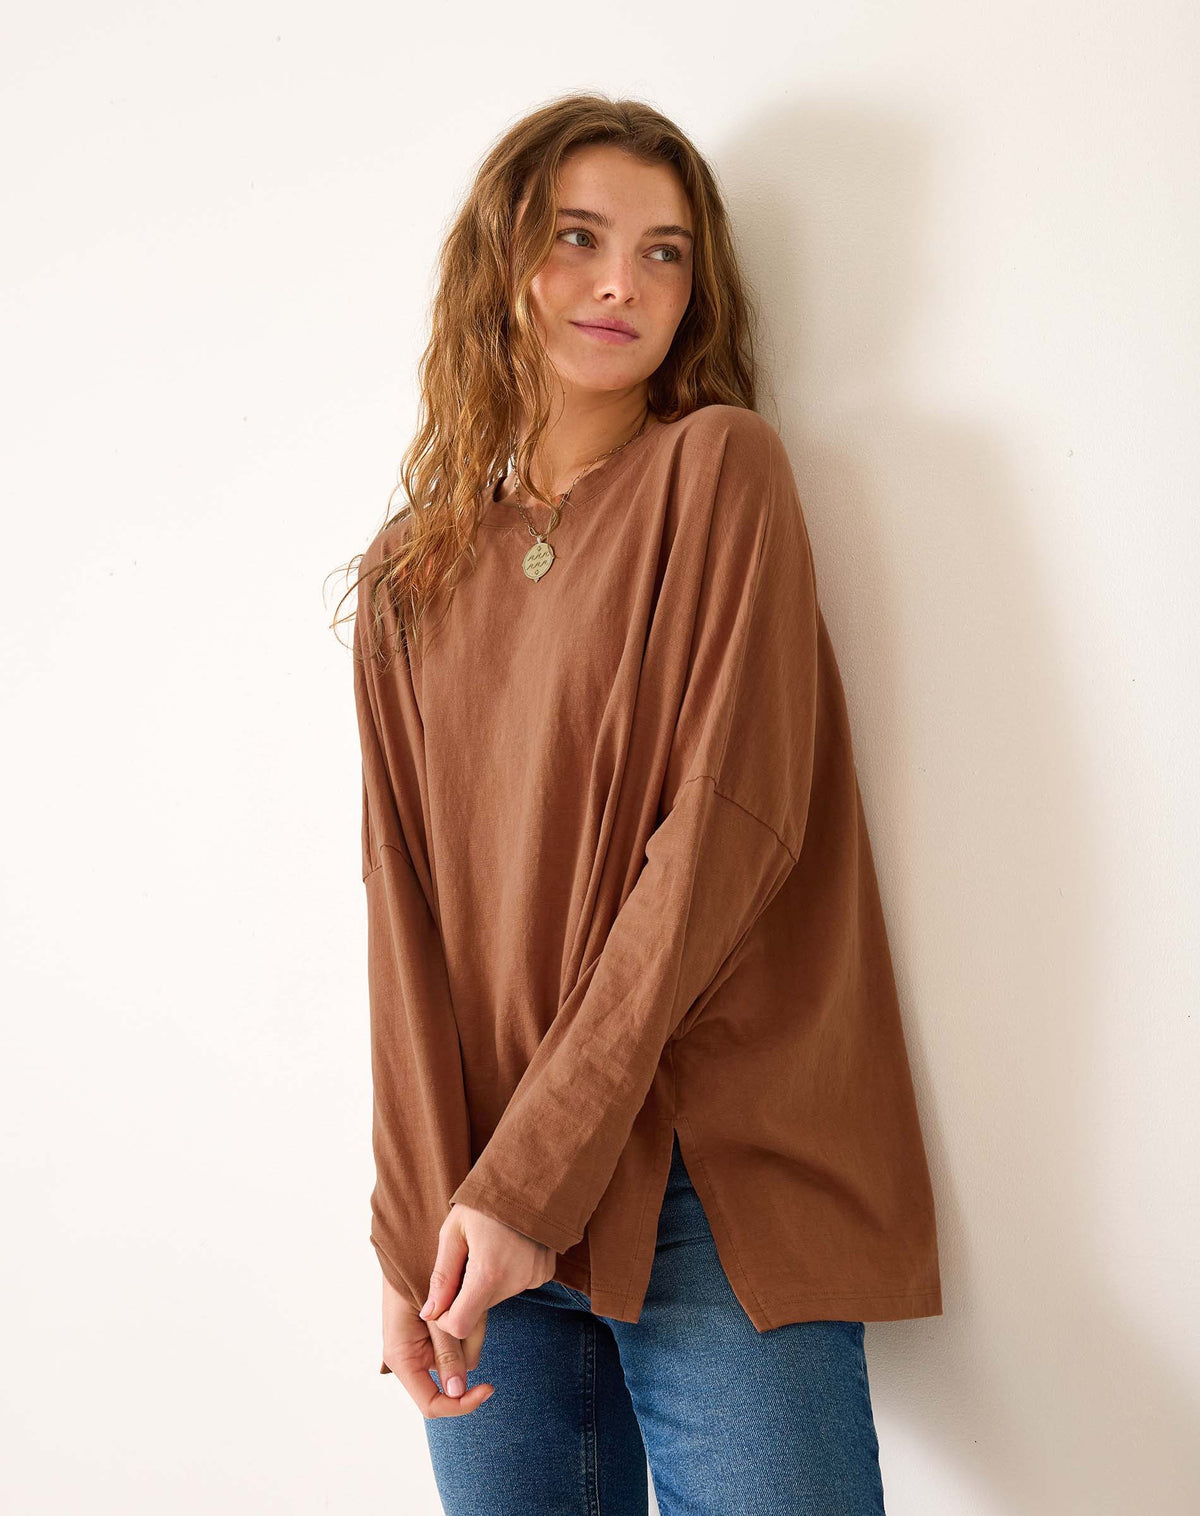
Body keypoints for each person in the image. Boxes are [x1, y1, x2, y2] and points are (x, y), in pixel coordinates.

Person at [336, 92, 942, 1515]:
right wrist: (413, 1228)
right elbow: (401, 920)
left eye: (666, 254)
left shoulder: (718, 469)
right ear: (500, 262)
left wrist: (525, 1181)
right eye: (578, 237)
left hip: (699, 1178)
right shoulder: (407, 580)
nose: (623, 282)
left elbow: (723, 840)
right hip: (482, 1213)